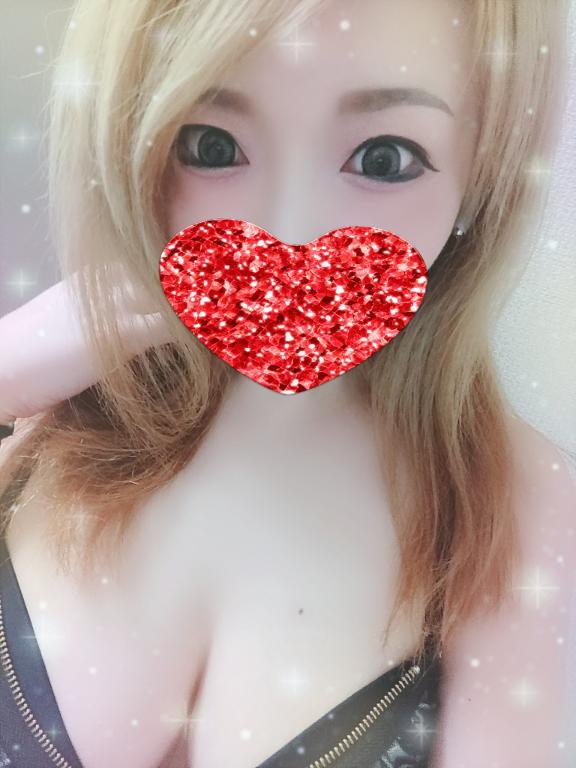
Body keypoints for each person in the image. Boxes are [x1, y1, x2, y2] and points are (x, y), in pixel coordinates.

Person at [0, 0, 574, 766]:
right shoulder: (57, 389)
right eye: (211, 147)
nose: (289, 232)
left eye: (385, 159)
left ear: (484, 172)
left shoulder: (518, 508)